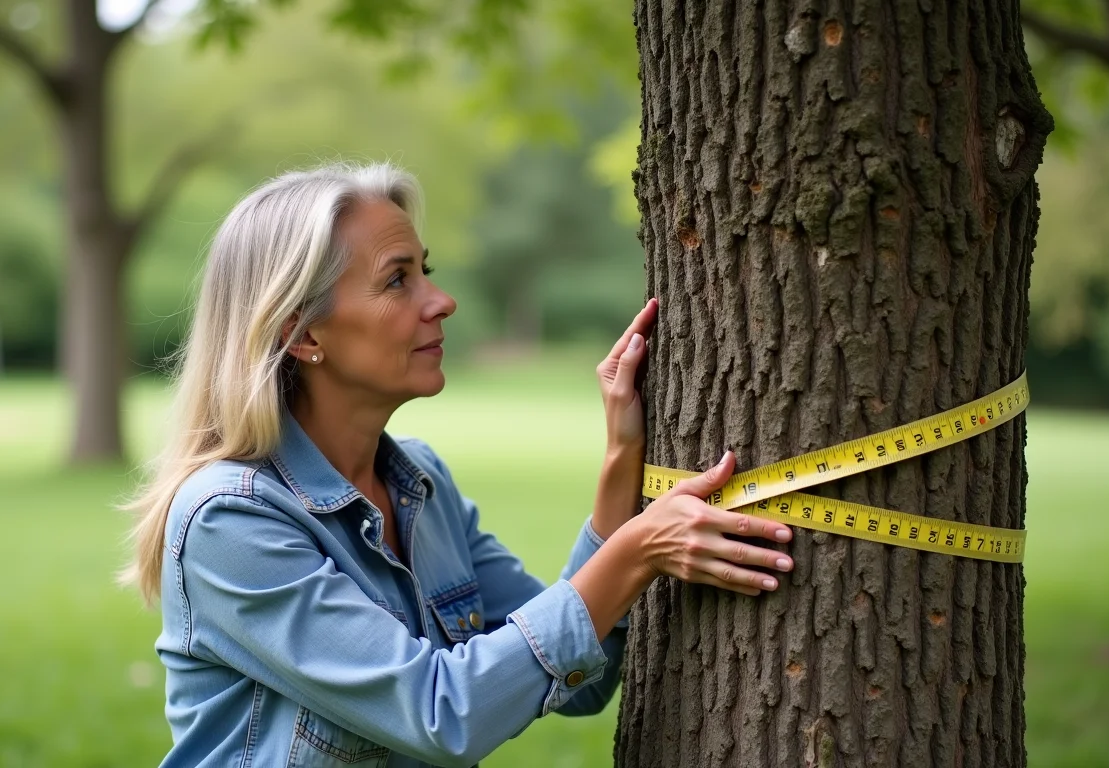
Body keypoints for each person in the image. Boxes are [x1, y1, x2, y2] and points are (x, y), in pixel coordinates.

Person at [122, 162, 795, 768]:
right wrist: (638, 550)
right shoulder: (229, 521)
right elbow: (442, 715)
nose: (441, 301)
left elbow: (577, 679)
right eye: (397, 280)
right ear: (301, 333)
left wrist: (623, 459)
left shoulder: (419, 485)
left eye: (426, 270)